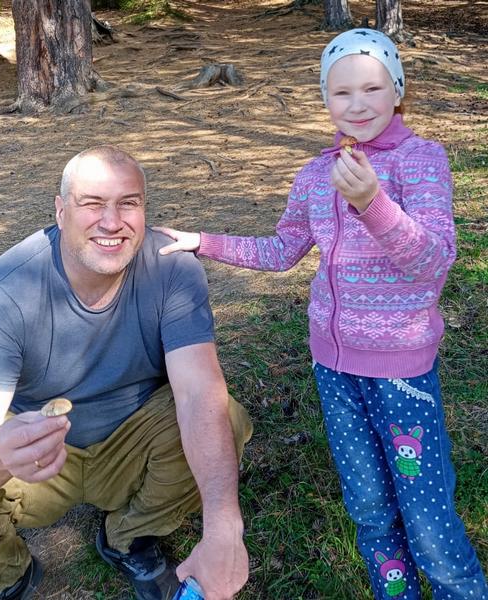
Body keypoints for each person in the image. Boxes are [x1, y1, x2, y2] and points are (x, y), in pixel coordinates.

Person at [154, 29, 487, 600]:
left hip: (401, 373)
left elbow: (433, 261)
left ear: (398, 90)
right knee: (370, 509)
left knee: (426, 517)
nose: (357, 104)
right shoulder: (315, 173)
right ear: (325, 99)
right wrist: (203, 242)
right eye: (341, 92)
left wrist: (372, 204)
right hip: (333, 371)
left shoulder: (422, 160)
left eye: (372, 88)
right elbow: (283, 250)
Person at [0, 146, 253, 600]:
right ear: (61, 211)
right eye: (92, 204)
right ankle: (4, 573)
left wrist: (224, 528)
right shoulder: (7, 291)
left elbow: (199, 392)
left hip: (132, 440)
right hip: (40, 453)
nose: (112, 222)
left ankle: (129, 538)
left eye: (128, 203)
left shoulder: (173, 268)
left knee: (225, 418)